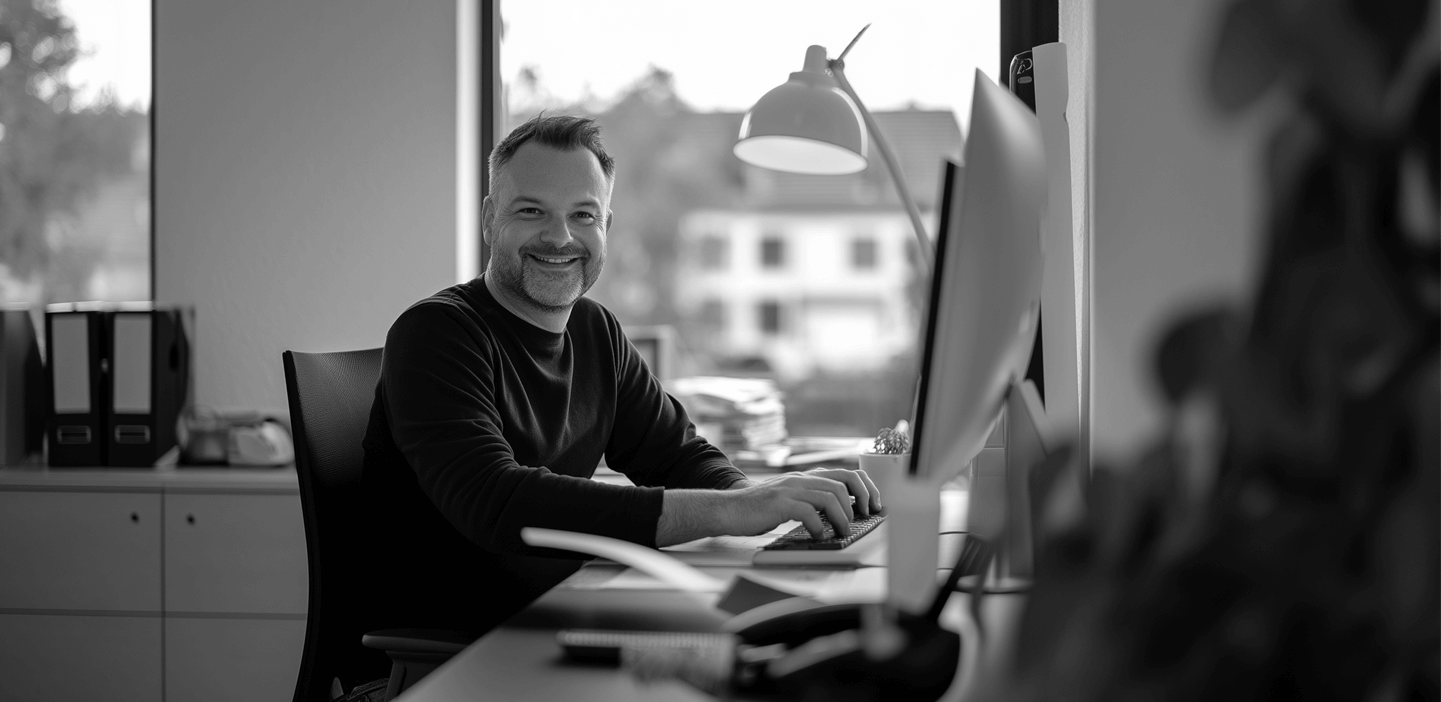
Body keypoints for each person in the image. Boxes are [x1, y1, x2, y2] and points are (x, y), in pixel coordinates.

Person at [361, 114, 882, 636]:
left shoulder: (594, 330)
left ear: (605, 226)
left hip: (562, 609)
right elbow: (495, 502)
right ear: (490, 219)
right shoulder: (436, 332)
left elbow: (675, 456)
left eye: (584, 215)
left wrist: (769, 509)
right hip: (455, 643)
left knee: (794, 639)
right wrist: (733, 510)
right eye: (532, 211)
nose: (560, 236)